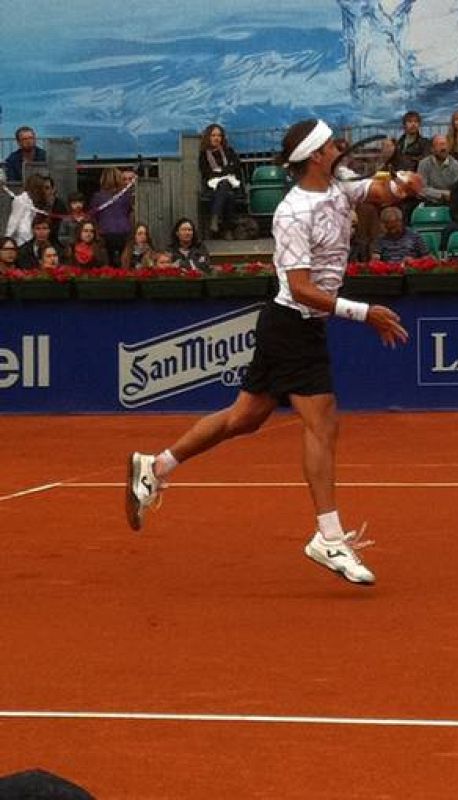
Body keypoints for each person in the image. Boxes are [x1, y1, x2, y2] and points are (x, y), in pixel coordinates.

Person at [126, 118, 412, 585]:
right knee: (322, 422)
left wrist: (403, 184)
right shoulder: (293, 212)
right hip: (292, 325)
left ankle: (155, 467)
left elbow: (377, 194)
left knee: (244, 418)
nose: (340, 148)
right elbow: (300, 289)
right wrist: (366, 313)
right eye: (332, 145)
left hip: (295, 327)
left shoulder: (338, 186)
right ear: (317, 156)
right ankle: (329, 536)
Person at [199, 123, 244, 239]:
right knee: (227, 193)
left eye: (219, 135)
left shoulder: (229, 151)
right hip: (212, 185)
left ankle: (215, 217)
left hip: (231, 182)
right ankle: (227, 229)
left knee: (225, 186)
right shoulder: (204, 154)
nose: (216, 138)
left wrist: (221, 171)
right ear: (208, 137)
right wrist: (224, 171)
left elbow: (235, 167)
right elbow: (206, 172)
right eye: (213, 135)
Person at [89, 167, 133, 266]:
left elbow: (93, 217)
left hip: (105, 234)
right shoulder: (126, 196)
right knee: (124, 265)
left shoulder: (97, 197)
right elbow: (130, 214)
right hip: (124, 233)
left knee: (107, 265)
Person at [417, 134, 458, 204]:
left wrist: (432, 193)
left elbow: (457, 193)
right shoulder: (423, 164)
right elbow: (421, 189)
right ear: (432, 149)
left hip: (451, 204)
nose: (443, 148)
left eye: (445, 144)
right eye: (439, 145)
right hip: (428, 203)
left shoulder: (456, 165)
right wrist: (442, 194)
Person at [5, 173, 48, 245]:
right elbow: (13, 221)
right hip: (22, 240)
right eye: (43, 188)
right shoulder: (20, 200)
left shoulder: (35, 201)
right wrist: (6, 240)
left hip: (32, 239)